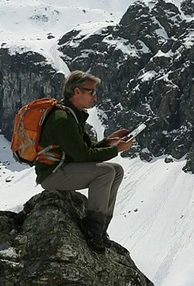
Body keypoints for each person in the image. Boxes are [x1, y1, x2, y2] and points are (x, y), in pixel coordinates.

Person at [35, 70, 133, 253]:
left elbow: (83, 148)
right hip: (53, 175)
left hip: (64, 167)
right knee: (106, 172)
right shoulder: (63, 119)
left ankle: (101, 228)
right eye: (91, 92)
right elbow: (82, 155)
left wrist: (108, 142)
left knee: (116, 170)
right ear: (77, 92)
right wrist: (116, 149)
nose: (94, 97)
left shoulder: (72, 115)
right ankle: (92, 229)